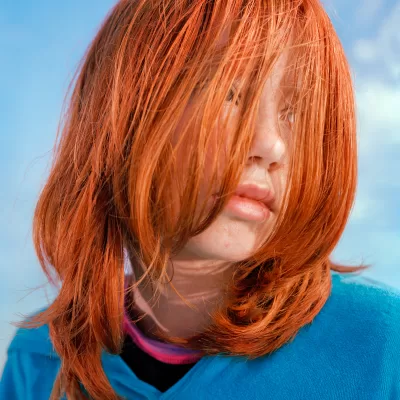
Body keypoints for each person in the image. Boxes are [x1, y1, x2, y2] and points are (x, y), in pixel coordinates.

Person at [1, 0, 400, 399]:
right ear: (122, 111)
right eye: (229, 94)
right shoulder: (39, 358)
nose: (270, 145)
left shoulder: (382, 349)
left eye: (294, 113)